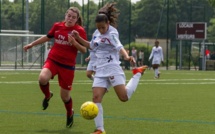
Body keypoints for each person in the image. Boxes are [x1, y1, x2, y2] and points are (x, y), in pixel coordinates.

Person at [72, 2, 148, 134]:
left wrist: (126, 56)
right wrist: (78, 38)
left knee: (123, 97)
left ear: (108, 23)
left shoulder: (112, 33)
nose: (101, 30)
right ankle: (100, 129)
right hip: (100, 70)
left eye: (103, 27)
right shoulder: (97, 33)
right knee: (96, 98)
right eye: (99, 28)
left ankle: (137, 73)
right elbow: (91, 46)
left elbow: (119, 46)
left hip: (112, 68)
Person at [23, 7, 87, 128]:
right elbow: (47, 37)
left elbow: (84, 50)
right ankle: (48, 95)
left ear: (77, 19)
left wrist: (75, 42)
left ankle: (69, 113)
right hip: (53, 60)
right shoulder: (57, 26)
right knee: (42, 78)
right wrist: (32, 44)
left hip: (67, 66)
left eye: (73, 17)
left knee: (65, 97)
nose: (70, 19)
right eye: (69, 16)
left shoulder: (79, 31)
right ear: (65, 15)